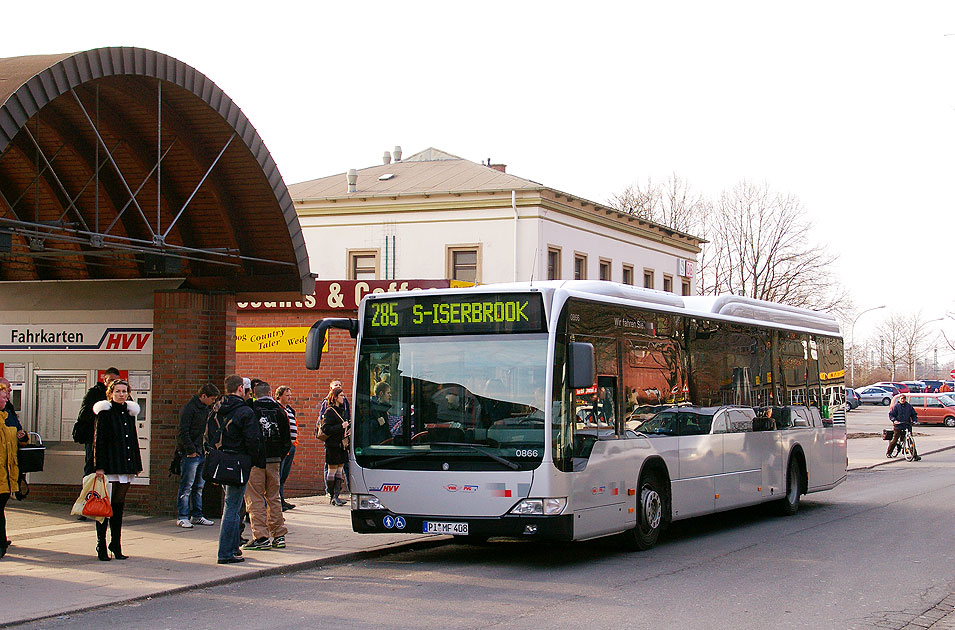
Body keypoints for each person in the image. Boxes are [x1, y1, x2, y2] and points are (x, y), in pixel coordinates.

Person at [206, 374, 261, 564]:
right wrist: (253, 460)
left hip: (220, 461)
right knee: (232, 508)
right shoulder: (245, 411)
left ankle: (232, 548)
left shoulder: (216, 408)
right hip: (238, 463)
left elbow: (207, 436)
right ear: (240, 388)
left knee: (231, 505)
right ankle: (225, 552)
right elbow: (253, 440)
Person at [92, 379, 142, 561]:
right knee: (104, 507)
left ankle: (116, 543)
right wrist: (99, 467)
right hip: (110, 464)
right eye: (118, 391)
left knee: (118, 506)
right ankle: (101, 544)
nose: (121, 394)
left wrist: (137, 465)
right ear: (111, 393)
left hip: (126, 464)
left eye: (124, 391)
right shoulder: (105, 413)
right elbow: (99, 441)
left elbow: (133, 440)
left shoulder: (129, 413)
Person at [243, 381, 291, 551]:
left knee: (255, 499)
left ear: (254, 394)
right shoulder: (280, 411)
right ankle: (279, 535)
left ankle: (261, 537)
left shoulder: (251, 410)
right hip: (274, 460)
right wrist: (279, 456)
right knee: (274, 498)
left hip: (255, 461)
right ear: (270, 393)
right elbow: (288, 439)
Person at [175, 383, 219, 528]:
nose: (213, 401)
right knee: (187, 486)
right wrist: (190, 450)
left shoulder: (205, 409)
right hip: (192, 453)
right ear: (203, 396)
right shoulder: (189, 409)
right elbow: (183, 431)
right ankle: (182, 516)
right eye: (212, 399)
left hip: (201, 451)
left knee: (199, 486)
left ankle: (197, 515)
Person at [76, 368, 121, 477]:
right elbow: (83, 414)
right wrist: (100, 412)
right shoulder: (94, 393)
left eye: (116, 381)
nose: (113, 383)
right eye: (111, 380)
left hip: (114, 439)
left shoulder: (122, 395)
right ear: (105, 380)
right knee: (92, 468)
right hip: (94, 439)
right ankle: (90, 487)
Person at [1, 378, 27, 559]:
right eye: (4, 395)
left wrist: (22, 436)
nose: (7, 397)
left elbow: (19, 435)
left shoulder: (9, 414)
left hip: (8, 471)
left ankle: (1, 543)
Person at [321, 387, 350, 506]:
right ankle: (332, 495)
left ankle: (337, 495)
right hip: (332, 446)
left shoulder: (342, 410)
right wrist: (341, 427)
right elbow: (325, 429)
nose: (343, 398)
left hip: (341, 445)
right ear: (335, 397)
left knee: (339, 471)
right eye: (341, 396)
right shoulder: (330, 411)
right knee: (332, 471)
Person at [275, 386, 297, 511]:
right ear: (279, 396)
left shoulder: (289, 409)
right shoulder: (277, 409)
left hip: (291, 446)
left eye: (290, 395)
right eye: (287, 395)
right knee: (278, 475)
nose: (289, 397)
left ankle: (282, 499)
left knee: (284, 475)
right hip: (283, 447)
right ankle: (278, 501)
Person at [887, 394, 921, 461]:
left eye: (904, 399)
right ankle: (889, 452)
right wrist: (894, 420)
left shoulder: (909, 406)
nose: (903, 400)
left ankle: (914, 455)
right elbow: (891, 415)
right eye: (901, 399)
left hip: (907, 425)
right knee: (895, 439)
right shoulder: (896, 406)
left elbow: (914, 414)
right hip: (898, 426)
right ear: (899, 399)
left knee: (910, 441)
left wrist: (914, 420)